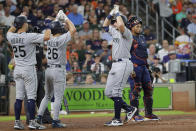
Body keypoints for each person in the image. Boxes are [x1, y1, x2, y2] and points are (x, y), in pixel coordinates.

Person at [6, 13, 51, 130]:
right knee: (31, 97)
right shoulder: (29, 36)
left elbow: (10, 31)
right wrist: (49, 25)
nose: (27, 24)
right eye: (26, 22)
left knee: (19, 97)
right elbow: (47, 37)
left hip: (18, 70)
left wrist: (17, 21)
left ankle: (17, 122)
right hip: (28, 69)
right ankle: (32, 122)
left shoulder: (11, 36)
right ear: (24, 24)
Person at [36, 10, 76, 128]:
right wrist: (66, 18)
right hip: (58, 71)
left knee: (47, 96)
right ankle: (56, 120)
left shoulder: (49, 38)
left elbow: (52, 27)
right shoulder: (61, 39)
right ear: (59, 30)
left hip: (48, 70)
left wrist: (57, 20)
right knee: (58, 97)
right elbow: (73, 30)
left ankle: (39, 117)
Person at [103, 5, 137, 126]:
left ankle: (117, 119)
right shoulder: (114, 31)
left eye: (115, 22)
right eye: (114, 22)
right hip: (115, 64)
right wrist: (110, 14)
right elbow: (104, 26)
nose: (114, 24)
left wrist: (117, 13)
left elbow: (121, 25)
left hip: (124, 63)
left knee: (116, 92)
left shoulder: (127, 32)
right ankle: (129, 109)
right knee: (108, 92)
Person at [128, 16, 160, 122]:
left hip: (144, 67)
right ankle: (134, 115)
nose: (139, 27)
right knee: (135, 90)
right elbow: (126, 54)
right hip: (134, 67)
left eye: (140, 26)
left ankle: (148, 114)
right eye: (137, 26)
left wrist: (148, 66)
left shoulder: (142, 37)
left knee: (149, 89)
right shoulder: (128, 38)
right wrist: (130, 68)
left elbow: (143, 54)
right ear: (131, 27)